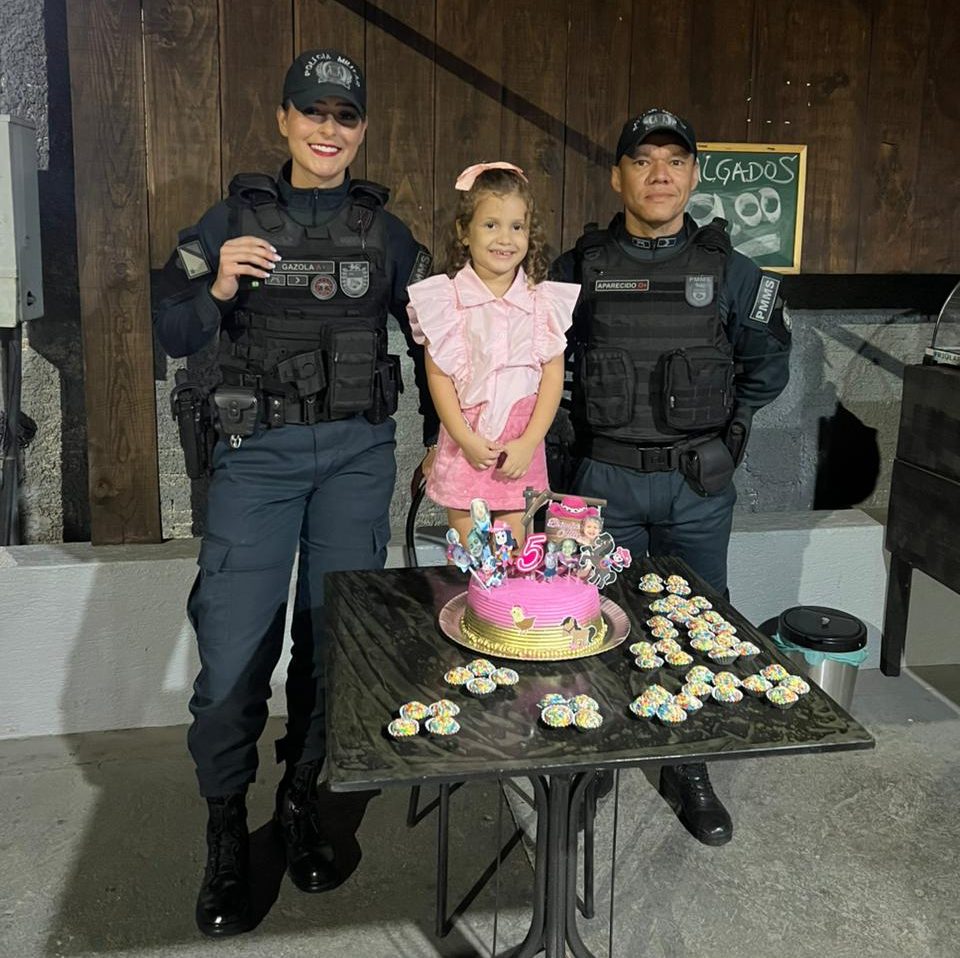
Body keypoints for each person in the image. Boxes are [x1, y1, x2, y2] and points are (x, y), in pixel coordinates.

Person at [152, 49, 438, 936]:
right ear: (282, 120)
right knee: (235, 649)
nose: (327, 129)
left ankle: (304, 799)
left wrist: (449, 444)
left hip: (356, 458)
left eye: (344, 116)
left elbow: (437, 341)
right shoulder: (231, 218)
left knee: (334, 641)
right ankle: (225, 827)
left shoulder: (386, 234)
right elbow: (170, 326)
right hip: (257, 458)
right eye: (312, 112)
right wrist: (218, 284)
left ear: (361, 129)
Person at [553, 108, 791, 846]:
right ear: (617, 176)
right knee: (590, 621)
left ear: (693, 175)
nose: (659, 175)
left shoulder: (732, 271)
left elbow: (768, 365)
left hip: (696, 485)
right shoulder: (577, 268)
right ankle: (594, 754)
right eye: (642, 160)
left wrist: (732, 435)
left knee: (700, 622)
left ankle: (688, 761)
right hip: (602, 482)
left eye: (675, 161)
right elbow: (538, 365)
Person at [407, 163, 581, 546]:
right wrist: (464, 437)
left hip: (521, 445)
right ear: (464, 231)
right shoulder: (446, 300)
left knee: (515, 554)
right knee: (474, 557)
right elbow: (438, 375)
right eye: (491, 225)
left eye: (517, 227)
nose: (505, 238)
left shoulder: (542, 302)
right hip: (467, 443)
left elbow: (553, 376)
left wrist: (530, 441)